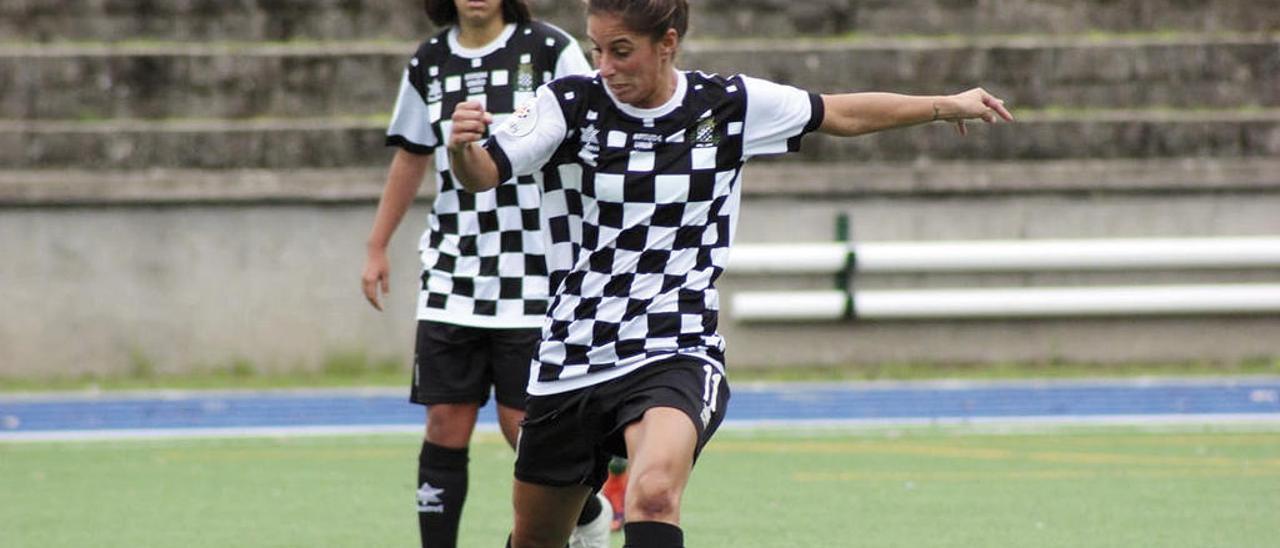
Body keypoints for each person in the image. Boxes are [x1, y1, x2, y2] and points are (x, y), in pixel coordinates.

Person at [445, 0, 1015, 546]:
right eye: (597, 50)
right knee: (537, 538)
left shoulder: (725, 106)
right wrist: (461, 149)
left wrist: (945, 103)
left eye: (622, 51)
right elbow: (483, 172)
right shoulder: (568, 103)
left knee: (654, 495)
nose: (606, 67)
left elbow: (836, 111)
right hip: (573, 352)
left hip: (673, 346)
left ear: (667, 44)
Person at [359, 1, 612, 546]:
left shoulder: (550, 50)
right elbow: (410, 154)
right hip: (453, 273)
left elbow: (600, 131)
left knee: (525, 429)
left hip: (536, 274)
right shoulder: (429, 61)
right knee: (444, 423)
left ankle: (586, 515)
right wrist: (377, 245)